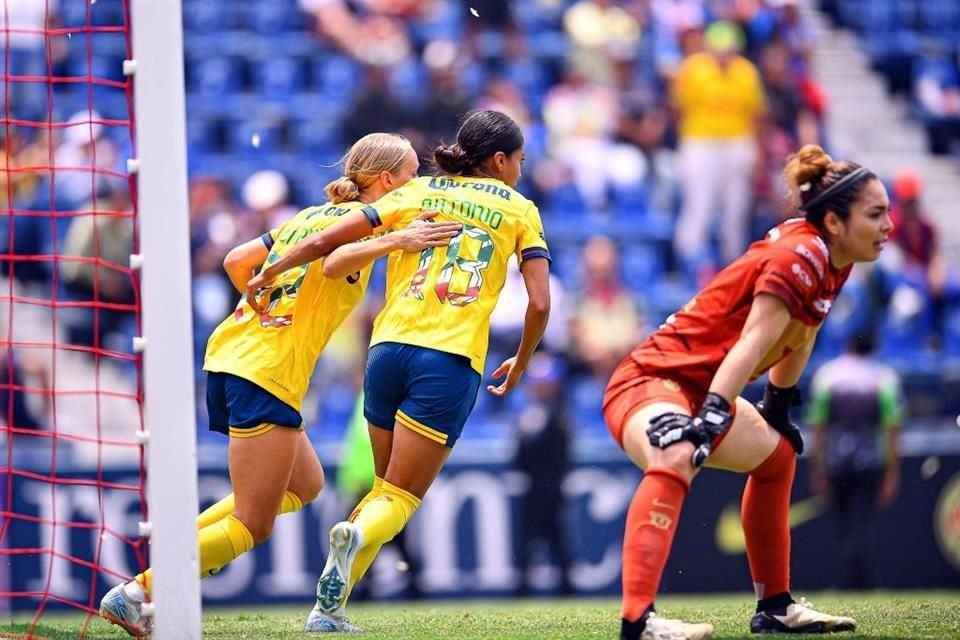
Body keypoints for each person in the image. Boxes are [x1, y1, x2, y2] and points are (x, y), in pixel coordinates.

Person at [97, 132, 460, 636]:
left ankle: (183, 545)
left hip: (233, 355)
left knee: (305, 484)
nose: (416, 184)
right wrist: (395, 239)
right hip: (266, 370)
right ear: (386, 181)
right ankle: (137, 592)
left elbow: (236, 262)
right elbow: (332, 262)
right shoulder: (361, 232)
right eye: (411, 175)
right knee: (253, 523)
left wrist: (266, 308)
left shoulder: (310, 217)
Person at [243, 110, 550, 632]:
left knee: (383, 488)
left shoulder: (416, 193)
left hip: (385, 353)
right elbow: (540, 303)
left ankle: (327, 611)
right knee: (401, 498)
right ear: (499, 161)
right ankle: (356, 539)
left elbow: (326, 243)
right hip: (448, 359)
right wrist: (521, 362)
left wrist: (270, 269)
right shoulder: (520, 208)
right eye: (519, 160)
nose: (520, 170)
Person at [603, 144, 890, 639]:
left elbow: (802, 333)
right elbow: (755, 337)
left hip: (699, 385)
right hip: (651, 381)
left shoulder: (831, 256)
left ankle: (774, 607)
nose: (888, 225)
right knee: (676, 454)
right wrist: (715, 412)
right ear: (836, 222)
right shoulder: (801, 253)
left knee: (777, 458)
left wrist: (778, 403)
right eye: (876, 213)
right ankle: (637, 622)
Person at [808, 330, 903, 589]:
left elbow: (818, 426)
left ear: (848, 344)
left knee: (845, 525)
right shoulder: (884, 378)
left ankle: (853, 583)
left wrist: (817, 466)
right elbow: (892, 427)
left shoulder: (827, 376)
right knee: (862, 525)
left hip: (836, 462)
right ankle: (862, 582)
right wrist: (892, 471)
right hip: (870, 462)